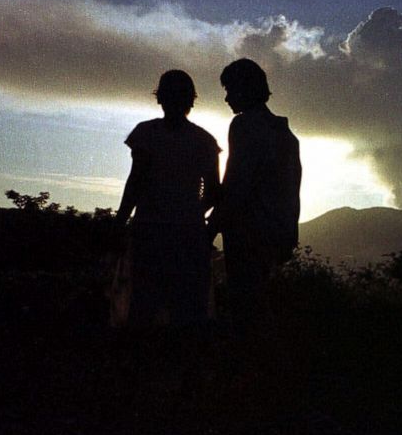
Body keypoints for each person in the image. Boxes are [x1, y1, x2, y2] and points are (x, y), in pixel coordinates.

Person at [114, 70, 221, 327]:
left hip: (150, 229)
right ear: (191, 101)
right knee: (186, 308)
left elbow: (135, 183)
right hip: (188, 234)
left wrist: (119, 222)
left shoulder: (145, 134)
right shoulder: (204, 140)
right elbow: (215, 192)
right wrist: (192, 212)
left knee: (144, 304)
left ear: (159, 98)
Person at [209, 58, 301, 330]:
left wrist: (209, 228)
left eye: (230, 89)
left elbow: (235, 185)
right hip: (276, 234)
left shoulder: (244, 126)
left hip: (248, 234)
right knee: (261, 309)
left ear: (245, 88)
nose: (226, 98)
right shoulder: (285, 134)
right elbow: (290, 191)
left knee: (245, 311)